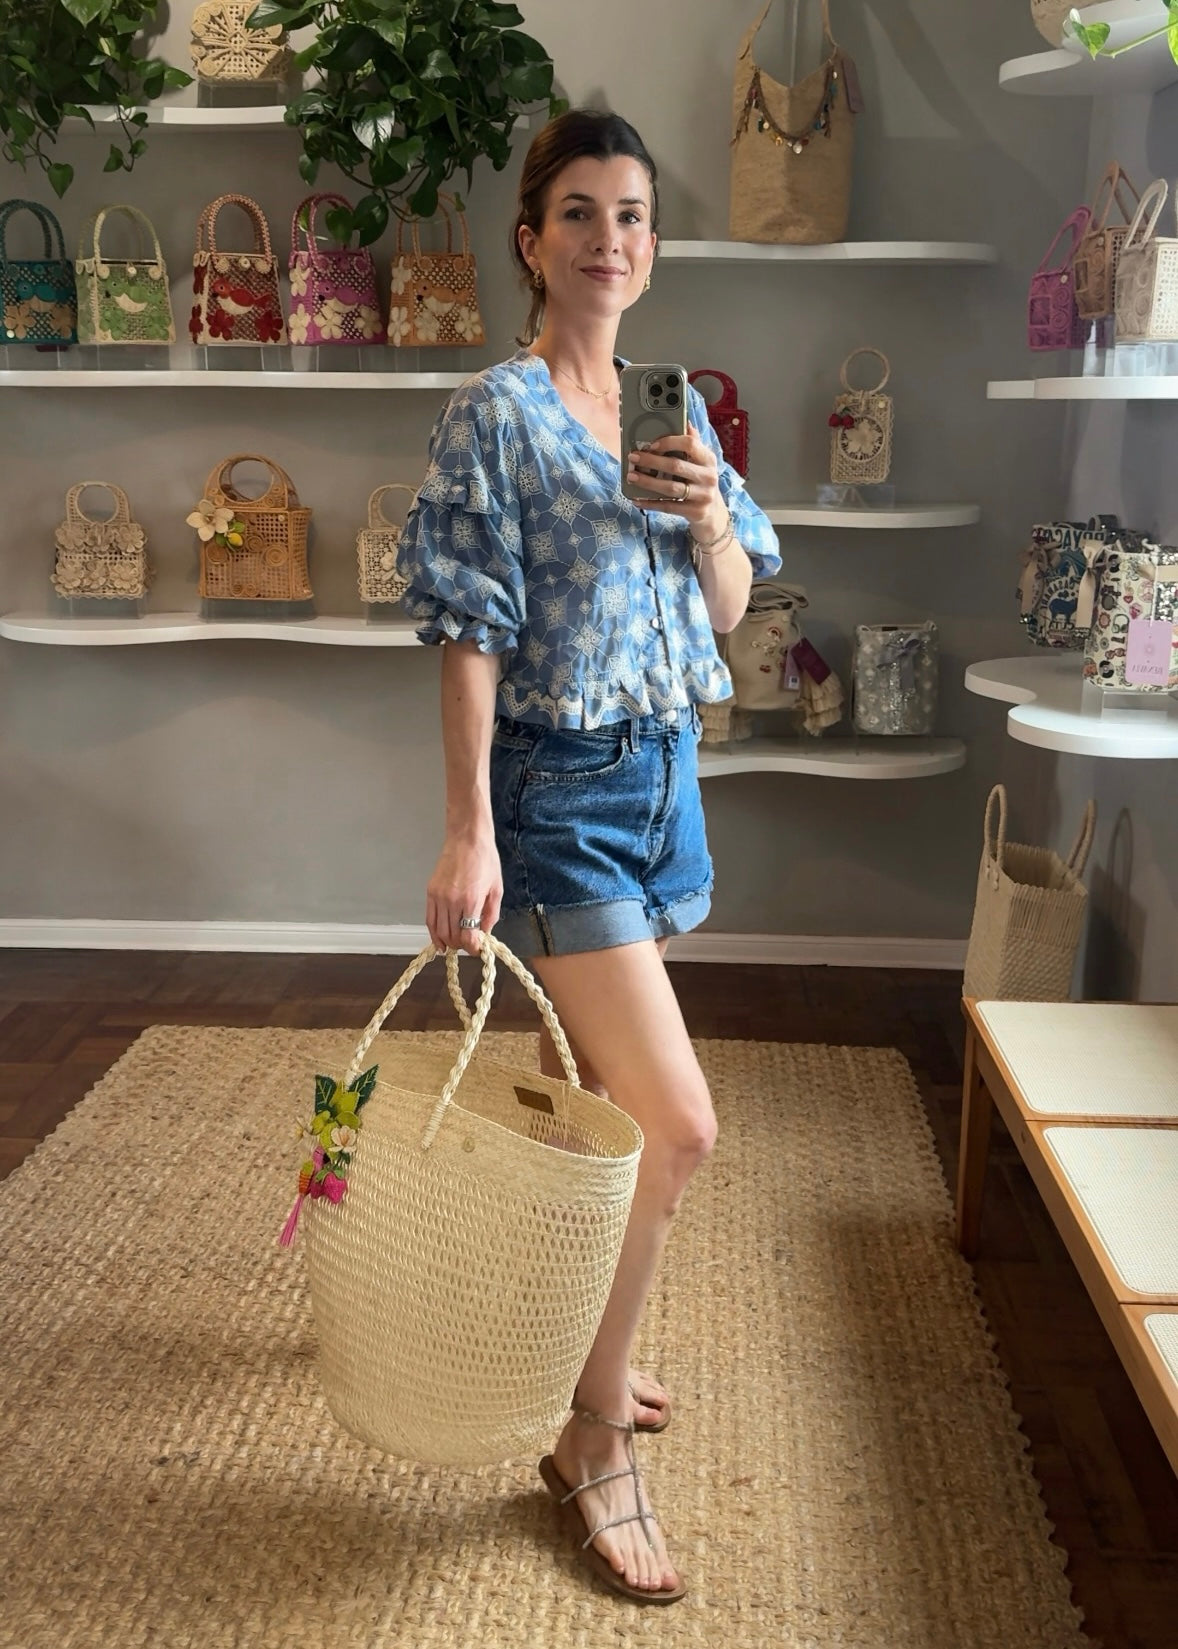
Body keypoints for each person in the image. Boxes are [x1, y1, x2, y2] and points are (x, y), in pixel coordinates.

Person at [398, 107, 781, 1605]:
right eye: (578, 212)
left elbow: (734, 604)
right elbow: (467, 630)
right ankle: (587, 1434)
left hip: (665, 782)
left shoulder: (671, 417)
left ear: (651, 247)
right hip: (556, 792)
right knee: (677, 1126)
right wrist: (466, 826)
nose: (606, 238)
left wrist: (708, 516)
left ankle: (579, 1346)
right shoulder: (494, 413)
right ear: (531, 239)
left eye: (629, 215)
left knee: (613, 1115)